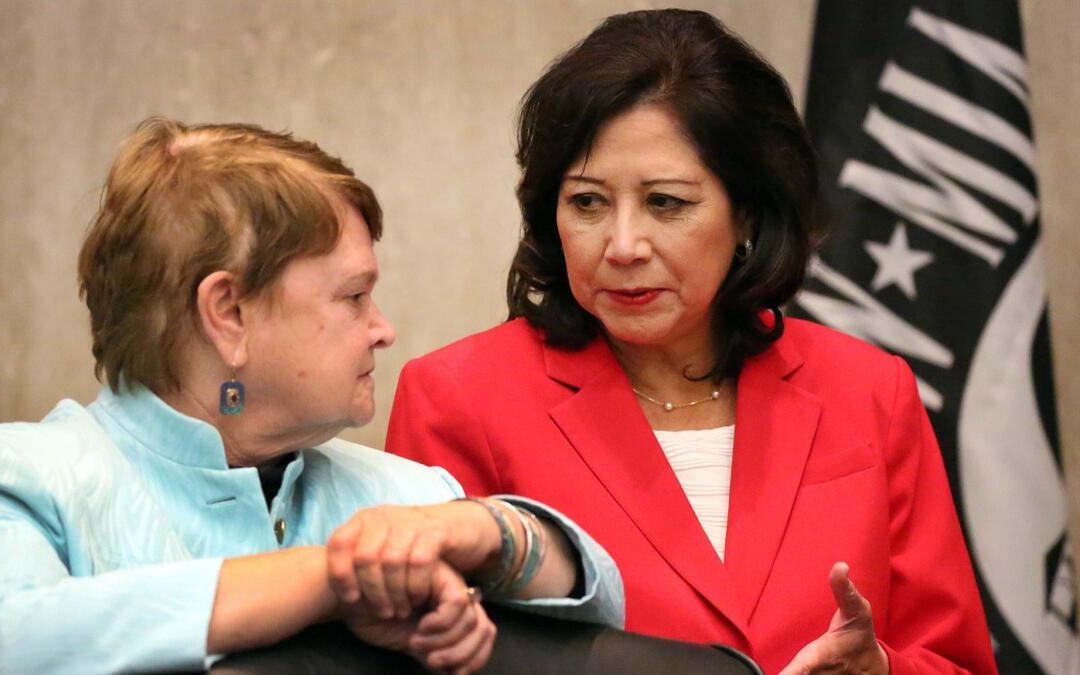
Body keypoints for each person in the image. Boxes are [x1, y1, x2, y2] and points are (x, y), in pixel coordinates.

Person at [385, 9, 996, 675]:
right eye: (587, 203)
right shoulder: (457, 397)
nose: (621, 246)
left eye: (666, 203)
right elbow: (420, 660)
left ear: (748, 217)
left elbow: (956, 660)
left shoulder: (869, 387)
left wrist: (880, 669)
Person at [0, 118, 622, 675]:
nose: (383, 329)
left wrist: (491, 533)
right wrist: (330, 581)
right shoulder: (9, 475)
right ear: (229, 314)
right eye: (353, 296)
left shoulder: (403, 493)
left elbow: (607, 608)